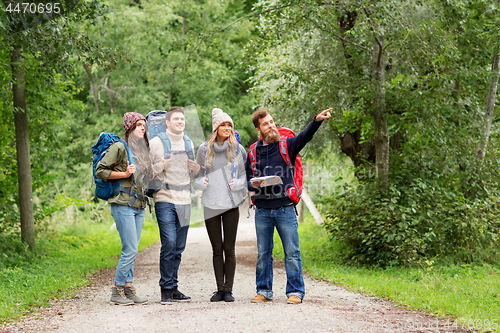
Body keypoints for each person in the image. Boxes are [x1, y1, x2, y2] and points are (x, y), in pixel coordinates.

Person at [246, 107, 332, 304]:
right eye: (265, 124)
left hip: (285, 208)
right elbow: (248, 179)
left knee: (292, 252)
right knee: (263, 253)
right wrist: (253, 184)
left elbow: (305, 136)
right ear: (259, 130)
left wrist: (316, 120)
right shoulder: (253, 152)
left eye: (271, 121)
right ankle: (264, 290)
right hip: (262, 210)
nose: (271, 126)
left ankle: (295, 291)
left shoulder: (287, 145)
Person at [95, 112, 151, 306]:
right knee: (130, 249)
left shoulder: (142, 150)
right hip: (122, 204)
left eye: (144, 126)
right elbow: (100, 170)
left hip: (138, 205)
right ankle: (117, 289)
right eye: (138, 126)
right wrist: (124, 173)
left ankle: (128, 288)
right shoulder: (119, 147)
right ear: (129, 128)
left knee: (133, 249)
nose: (142, 129)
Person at [194, 108, 247, 302]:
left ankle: (228, 290)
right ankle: (219, 289)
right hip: (210, 204)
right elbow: (197, 176)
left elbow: (244, 176)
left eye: (229, 125)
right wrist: (201, 183)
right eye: (223, 125)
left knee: (229, 248)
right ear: (216, 128)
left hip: (231, 204)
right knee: (217, 248)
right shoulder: (203, 149)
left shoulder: (238, 149)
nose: (227, 128)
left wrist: (238, 184)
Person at [149, 106, 201, 304]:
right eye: (176, 119)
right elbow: (145, 173)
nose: (180, 122)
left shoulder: (189, 142)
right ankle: (166, 290)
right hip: (164, 198)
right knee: (169, 242)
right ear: (167, 123)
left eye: (182, 119)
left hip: (185, 199)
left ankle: (174, 286)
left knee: (179, 246)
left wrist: (196, 169)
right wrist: (159, 166)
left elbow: (194, 173)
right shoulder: (156, 143)